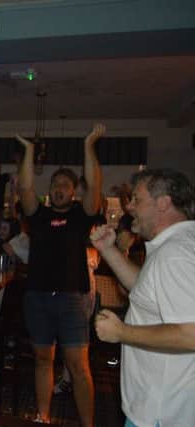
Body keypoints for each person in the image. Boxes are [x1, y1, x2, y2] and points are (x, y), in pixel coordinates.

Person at [16, 123, 106, 426]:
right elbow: (25, 188)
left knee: (78, 367)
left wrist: (88, 146)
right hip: (38, 298)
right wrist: (29, 151)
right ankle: (43, 417)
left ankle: (88, 424)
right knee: (44, 361)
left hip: (72, 299)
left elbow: (94, 187)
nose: (59, 188)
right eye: (55, 183)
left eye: (66, 184)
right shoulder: (38, 215)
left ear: (73, 190)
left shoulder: (82, 215)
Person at [91, 168, 195, 427]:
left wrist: (121, 333)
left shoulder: (175, 254)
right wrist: (108, 249)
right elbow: (145, 291)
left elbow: (191, 333)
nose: (129, 206)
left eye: (137, 199)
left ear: (163, 203)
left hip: (162, 412)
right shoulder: (177, 244)